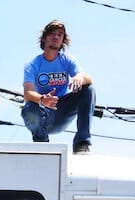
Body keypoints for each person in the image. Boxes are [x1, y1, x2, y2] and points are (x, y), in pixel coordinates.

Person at [21, 20, 95, 154]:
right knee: (28, 108)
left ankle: (82, 143)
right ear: (44, 38)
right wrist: (43, 99)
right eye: (52, 34)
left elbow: (89, 79)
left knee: (88, 89)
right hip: (43, 111)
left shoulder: (67, 60)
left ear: (63, 40)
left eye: (60, 34)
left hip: (63, 110)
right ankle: (42, 145)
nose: (56, 37)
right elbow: (28, 93)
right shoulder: (33, 64)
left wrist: (79, 77)